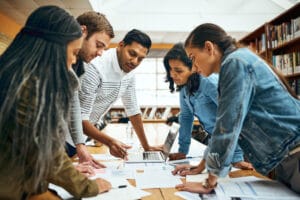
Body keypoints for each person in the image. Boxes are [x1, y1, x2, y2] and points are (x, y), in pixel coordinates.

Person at [174, 23, 300, 194]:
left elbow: (227, 125)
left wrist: (208, 183)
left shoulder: (235, 64)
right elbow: (222, 125)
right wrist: (202, 166)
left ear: (209, 48)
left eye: (193, 57)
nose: (194, 67)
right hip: (286, 155)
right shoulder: (237, 60)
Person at [0, 6, 111, 199]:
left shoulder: (16, 74)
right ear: (53, 48)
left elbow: (32, 151)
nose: (73, 60)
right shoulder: (29, 87)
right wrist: (89, 187)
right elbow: (46, 151)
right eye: (73, 52)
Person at [164, 43, 252, 172]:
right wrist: (182, 151)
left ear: (193, 67)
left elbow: (232, 119)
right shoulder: (184, 88)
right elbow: (186, 118)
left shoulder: (209, 82)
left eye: (178, 70)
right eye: (170, 69)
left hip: (242, 146)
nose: (172, 75)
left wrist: (237, 158)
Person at [79, 29, 163, 159]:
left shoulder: (129, 73)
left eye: (140, 59)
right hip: (64, 137)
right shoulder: (95, 68)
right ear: (121, 45)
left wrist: (147, 147)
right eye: (132, 53)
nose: (135, 62)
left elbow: (133, 110)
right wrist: (110, 142)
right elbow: (80, 119)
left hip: (81, 138)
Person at [65, 11, 114, 169]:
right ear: (82, 31)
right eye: (98, 45)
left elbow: (74, 106)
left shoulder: (78, 64)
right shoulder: (57, 60)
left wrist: (80, 146)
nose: (100, 53)